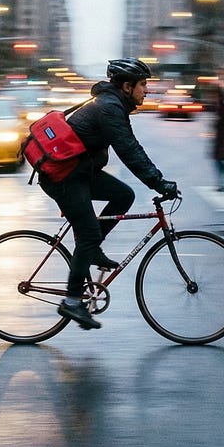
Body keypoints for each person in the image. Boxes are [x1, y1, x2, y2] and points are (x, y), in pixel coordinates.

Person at [38, 57, 179, 331]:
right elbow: (129, 151)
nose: (146, 91)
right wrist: (159, 183)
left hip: (79, 172)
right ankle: (72, 300)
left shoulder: (113, 105)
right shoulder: (109, 107)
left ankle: (90, 251)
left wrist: (156, 181)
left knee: (123, 195)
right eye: (143, 85)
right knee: (88, 234)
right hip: (63, 176)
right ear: (127, 87)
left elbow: (130, 149)